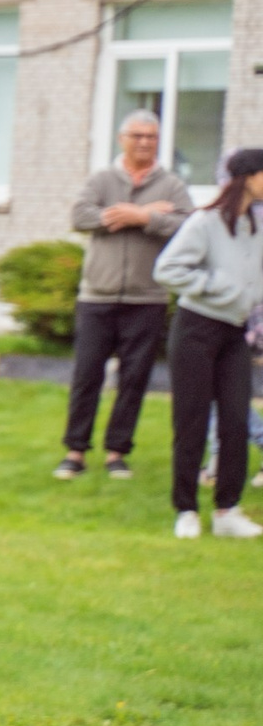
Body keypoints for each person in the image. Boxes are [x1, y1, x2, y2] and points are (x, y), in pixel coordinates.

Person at [56, 110, 193, 481]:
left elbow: (187, 226)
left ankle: (118, 452)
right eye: (137, 136)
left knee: (134, 378)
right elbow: (80, 216)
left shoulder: (172, 185)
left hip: (146, 298)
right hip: (97, 296)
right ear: (122, 139)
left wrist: (144, 219)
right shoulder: (101, 179)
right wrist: (138, 212)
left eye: (151, 137)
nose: (145, 143)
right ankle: (75, 451)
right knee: (87, 374)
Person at [152, 147, 263, 540]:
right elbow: (167, 269)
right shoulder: (205, 221)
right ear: (249, 177)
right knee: (192, 422)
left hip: (234, 334)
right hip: (196, 330)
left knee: (235, 422)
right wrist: (216, 287)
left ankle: (226, 511)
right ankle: (185, 510)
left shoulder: (256, 224)